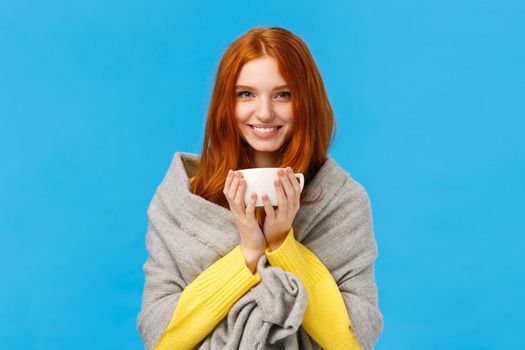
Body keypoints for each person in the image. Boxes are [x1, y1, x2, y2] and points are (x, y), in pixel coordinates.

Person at [137, 26, 383, 350]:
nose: (264, 112)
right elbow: (162, 338)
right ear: (226, 102)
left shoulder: (343, 202)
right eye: (246, 94)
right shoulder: (182, 200)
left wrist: (283, 243)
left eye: (283, 94)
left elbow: (351, 341)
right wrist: (249, 253)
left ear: (305, 102)